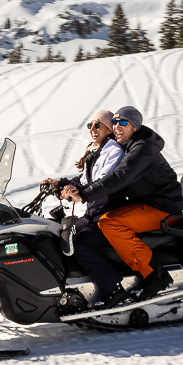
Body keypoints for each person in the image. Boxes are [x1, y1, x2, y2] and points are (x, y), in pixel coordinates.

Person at [60, 106, 183, 308]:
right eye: (115, 121)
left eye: (123, 122)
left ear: (135, 126)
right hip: (147, 205)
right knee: (103, 222)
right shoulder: (131, 146)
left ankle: (154, 274)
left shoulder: (143, 149)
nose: (117, 126)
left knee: (109, 223)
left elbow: (118, 178)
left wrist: (83, 195)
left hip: (163, 207)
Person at [38, 109, 124, 257]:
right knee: (55, 232)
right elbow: (84, 181)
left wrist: (79, 193)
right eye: (90, 125)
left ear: (109, 130)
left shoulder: (114, 151)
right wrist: (59, 184)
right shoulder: (95, 153)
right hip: (92, 215)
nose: (92, 129)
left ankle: (109, 281)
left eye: (97, 125)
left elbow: (102, 183)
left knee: (80, 244)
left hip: (106, 217)